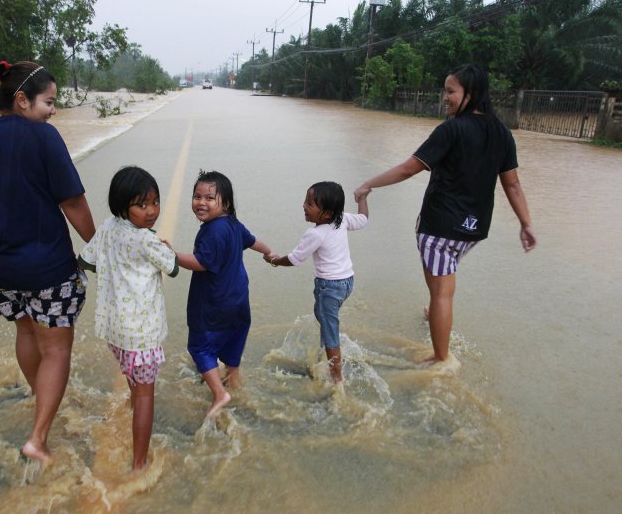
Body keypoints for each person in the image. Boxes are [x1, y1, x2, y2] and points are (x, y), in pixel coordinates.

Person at [0, 60, 96, 465]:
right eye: (49, 101)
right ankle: (38, 438)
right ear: (21, 100)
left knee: (25, 332)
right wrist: (100, 246)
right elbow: (71, 201)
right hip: (46, 267)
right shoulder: (43, 137)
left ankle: (40, 399)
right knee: (56, 348)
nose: (53, 110)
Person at [354, 63, 536, 366]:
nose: (445, 97)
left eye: (451, 91)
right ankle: (434, 313)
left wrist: (367, 185)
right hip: (474, 228)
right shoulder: (502, 133)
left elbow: (409, 168)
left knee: (441, 292)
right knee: (442, 280)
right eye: (445, 91)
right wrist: (526, 224)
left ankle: (440, 358)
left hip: (440, 226)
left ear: (471, 94)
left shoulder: (451, 129)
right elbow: (513, 184)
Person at [78, 166, 178, 472]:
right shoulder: (146, 241)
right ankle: (139, 463)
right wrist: (166, 248)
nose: (152, 212)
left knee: (135, 382)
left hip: (115, 330)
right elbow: (172, 267)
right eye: (141, 205)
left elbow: (86, 260)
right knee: (147, 393)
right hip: (142, 334)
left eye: (155, 202)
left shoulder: (109, 227)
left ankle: (133, 411)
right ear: (123, 206)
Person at [172, 171, 272, 418]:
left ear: (225, 203)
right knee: (232, 339)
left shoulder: (212, 230)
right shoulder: (234, 225)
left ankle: (219, 393)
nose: (201, 202)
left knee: (200, 347)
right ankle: (233, 382)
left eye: (209, 198)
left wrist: (171, 255)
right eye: (197, 196)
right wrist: (269, 252)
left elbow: (201, 262)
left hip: (213, 302)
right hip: (237, 299)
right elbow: (252, 241)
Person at [265, 182, 369, 383]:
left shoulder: (315, 234)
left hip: (328, 287)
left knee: (330, 329)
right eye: (306, 201)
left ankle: (336, 379)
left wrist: (274, 261)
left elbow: (295, 259)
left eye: (310, 203)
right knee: (325, 320)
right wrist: (363, 198)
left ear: (327, 213)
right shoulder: (343, 219)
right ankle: (324, 357)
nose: (304, 206)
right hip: (347, 282)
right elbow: (364, 219)